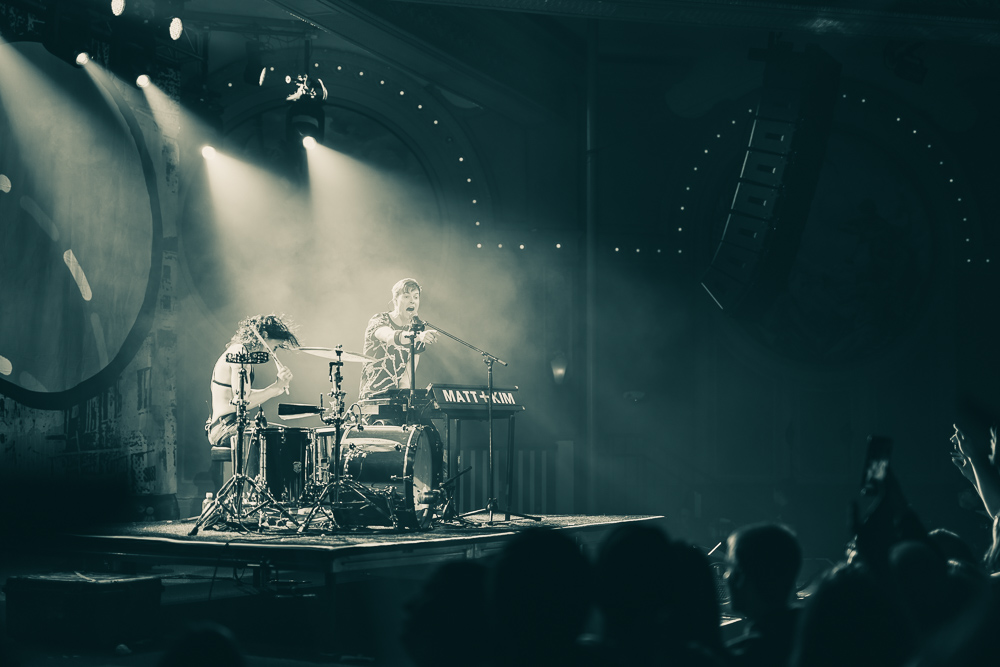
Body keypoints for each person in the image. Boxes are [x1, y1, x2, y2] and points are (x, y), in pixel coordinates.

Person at [205, 314, 297, 449]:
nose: (273, 352)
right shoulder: (240, 352)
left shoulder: (239, 351)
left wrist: (278, 388)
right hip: (226, 428)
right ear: (264, 335)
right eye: (275, 346)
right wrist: (275, 387)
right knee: (285, 437)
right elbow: (242, 400)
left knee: (286, 435)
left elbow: (242, 393)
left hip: (224, 427)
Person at [725, 523, 803, 667]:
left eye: (730, 566)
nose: (725, 576)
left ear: (741, 576)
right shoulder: (810, 637)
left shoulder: (744, 658)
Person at [358, 278, 438, 401]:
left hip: (395, 399)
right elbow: (389, 337)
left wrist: (403, 401)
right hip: (372, 398)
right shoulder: (379, 319)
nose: (412, 301)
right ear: (395, 300)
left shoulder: (416, 330)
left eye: (416, 297)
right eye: (406, 297)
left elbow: (408, 375)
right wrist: (417, 337)